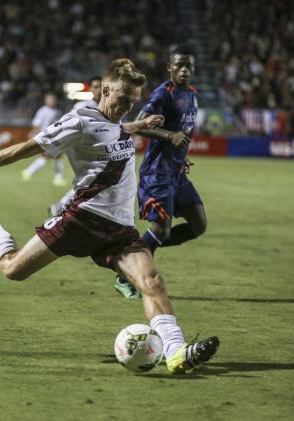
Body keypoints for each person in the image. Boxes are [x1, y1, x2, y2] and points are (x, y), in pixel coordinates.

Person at [0, 58, 219, 374]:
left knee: (151, 281)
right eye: (123, 98)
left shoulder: (116, 122)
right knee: (13, 269)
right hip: (81, 219)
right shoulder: (79, 119)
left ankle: (176, 352)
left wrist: (140, 126)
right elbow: (32, 146)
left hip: (120, 230)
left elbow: (114, 129)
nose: (128, 105)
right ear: (105, 89)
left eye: (133, 100)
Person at [114, 45, 207, 299]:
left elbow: (183, 133)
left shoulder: (192, 94)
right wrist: (169, 135)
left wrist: (181, 157)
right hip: (157, 174)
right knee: (161, 228)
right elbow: (138, 124)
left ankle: (138, 251)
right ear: (170, 67)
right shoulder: (163, 94)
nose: (184, 70)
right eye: (179, 65)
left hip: (177, 173)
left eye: (189, 66)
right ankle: (126, 274)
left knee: (198, 225)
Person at [48, 76, 103, 216]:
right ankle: (66, 208)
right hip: (82, 149)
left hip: (97, 150)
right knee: (92, 180)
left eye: (101, 87)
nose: (99, 90)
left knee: (90, 181)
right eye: (96, 87)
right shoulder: (82, 106)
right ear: (90, 89)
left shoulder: (106, 106)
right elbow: (68, 124)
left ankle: (61, 207)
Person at [21, 93, 66, 186]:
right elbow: (36, 124)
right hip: (46, 137)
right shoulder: (42, 111)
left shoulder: (57, 111)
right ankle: (57, 179)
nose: (51, 101)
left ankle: (28, 172)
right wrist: (38, 138)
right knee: (55, 156)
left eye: (52, 99)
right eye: (49, 99)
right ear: (45, 101)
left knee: (55, 156)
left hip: (54, 137)